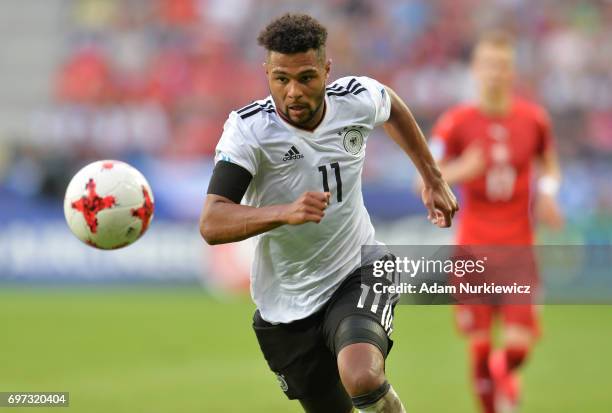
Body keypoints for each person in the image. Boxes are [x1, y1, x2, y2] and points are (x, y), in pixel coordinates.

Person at [199, 13, 457, 413]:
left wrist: (432, 177)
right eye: (281, 79)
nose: (294, 93)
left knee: (363, 377)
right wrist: (284, 212)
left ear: (326, 69)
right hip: (285, 303)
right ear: (266, 73)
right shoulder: (249, 131)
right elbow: (212, 222)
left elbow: (392, 107)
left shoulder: (354, 99)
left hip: (358, 268)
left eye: (306, 77)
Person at [429, 31, 563, 413]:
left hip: (519, 251)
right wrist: (460, 170)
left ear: (512, 72)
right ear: (474, 70)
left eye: (503, 66)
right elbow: (425, 177)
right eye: (488, 65)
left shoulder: (534, 119)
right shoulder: (454, 123)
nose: (495, 74)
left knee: (518, 348)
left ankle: (504, 375)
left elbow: (549, 164)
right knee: (481, 349)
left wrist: (550, 192)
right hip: (473, 250)